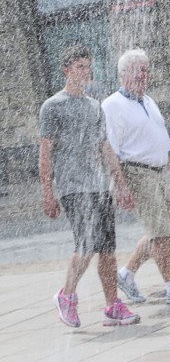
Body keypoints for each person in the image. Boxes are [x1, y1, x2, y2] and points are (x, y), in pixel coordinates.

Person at [39, 45, 140, 327]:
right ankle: (67, 296)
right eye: (79, 67)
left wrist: (119, 184)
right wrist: (48, 192)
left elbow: (104, 148)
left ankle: (112, 307)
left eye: (87, 67)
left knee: (107, 248)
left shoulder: (94, 106)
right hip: (72, 187)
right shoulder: (52, 107)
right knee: (86, 243)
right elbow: (45, 153)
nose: (85, 72)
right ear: (66, 70)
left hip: (99, 186)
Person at [101, 49, 170, 305]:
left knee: (159, 229)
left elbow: (164, 141)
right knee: (161, 232)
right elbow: (110, 149)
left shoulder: (148, 101)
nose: (142, 75)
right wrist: (120, 185)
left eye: (145, 70)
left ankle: (126, 274)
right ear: (122, 74)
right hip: (135, 171)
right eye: (136, 70)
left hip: (157, 172)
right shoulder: (112, 105)